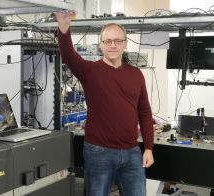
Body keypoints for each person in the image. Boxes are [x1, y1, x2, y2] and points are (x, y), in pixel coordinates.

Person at [55, 12, 154, 196]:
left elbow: (145, 113)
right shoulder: (90, 71)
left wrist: (148, 147)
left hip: (131, 152)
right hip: (98, 152)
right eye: (108, 41)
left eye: (117, 40)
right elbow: (68, 54)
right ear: (101, 45)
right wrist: (63, 26)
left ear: (125, 43)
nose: (113, 45)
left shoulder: (136, 74)